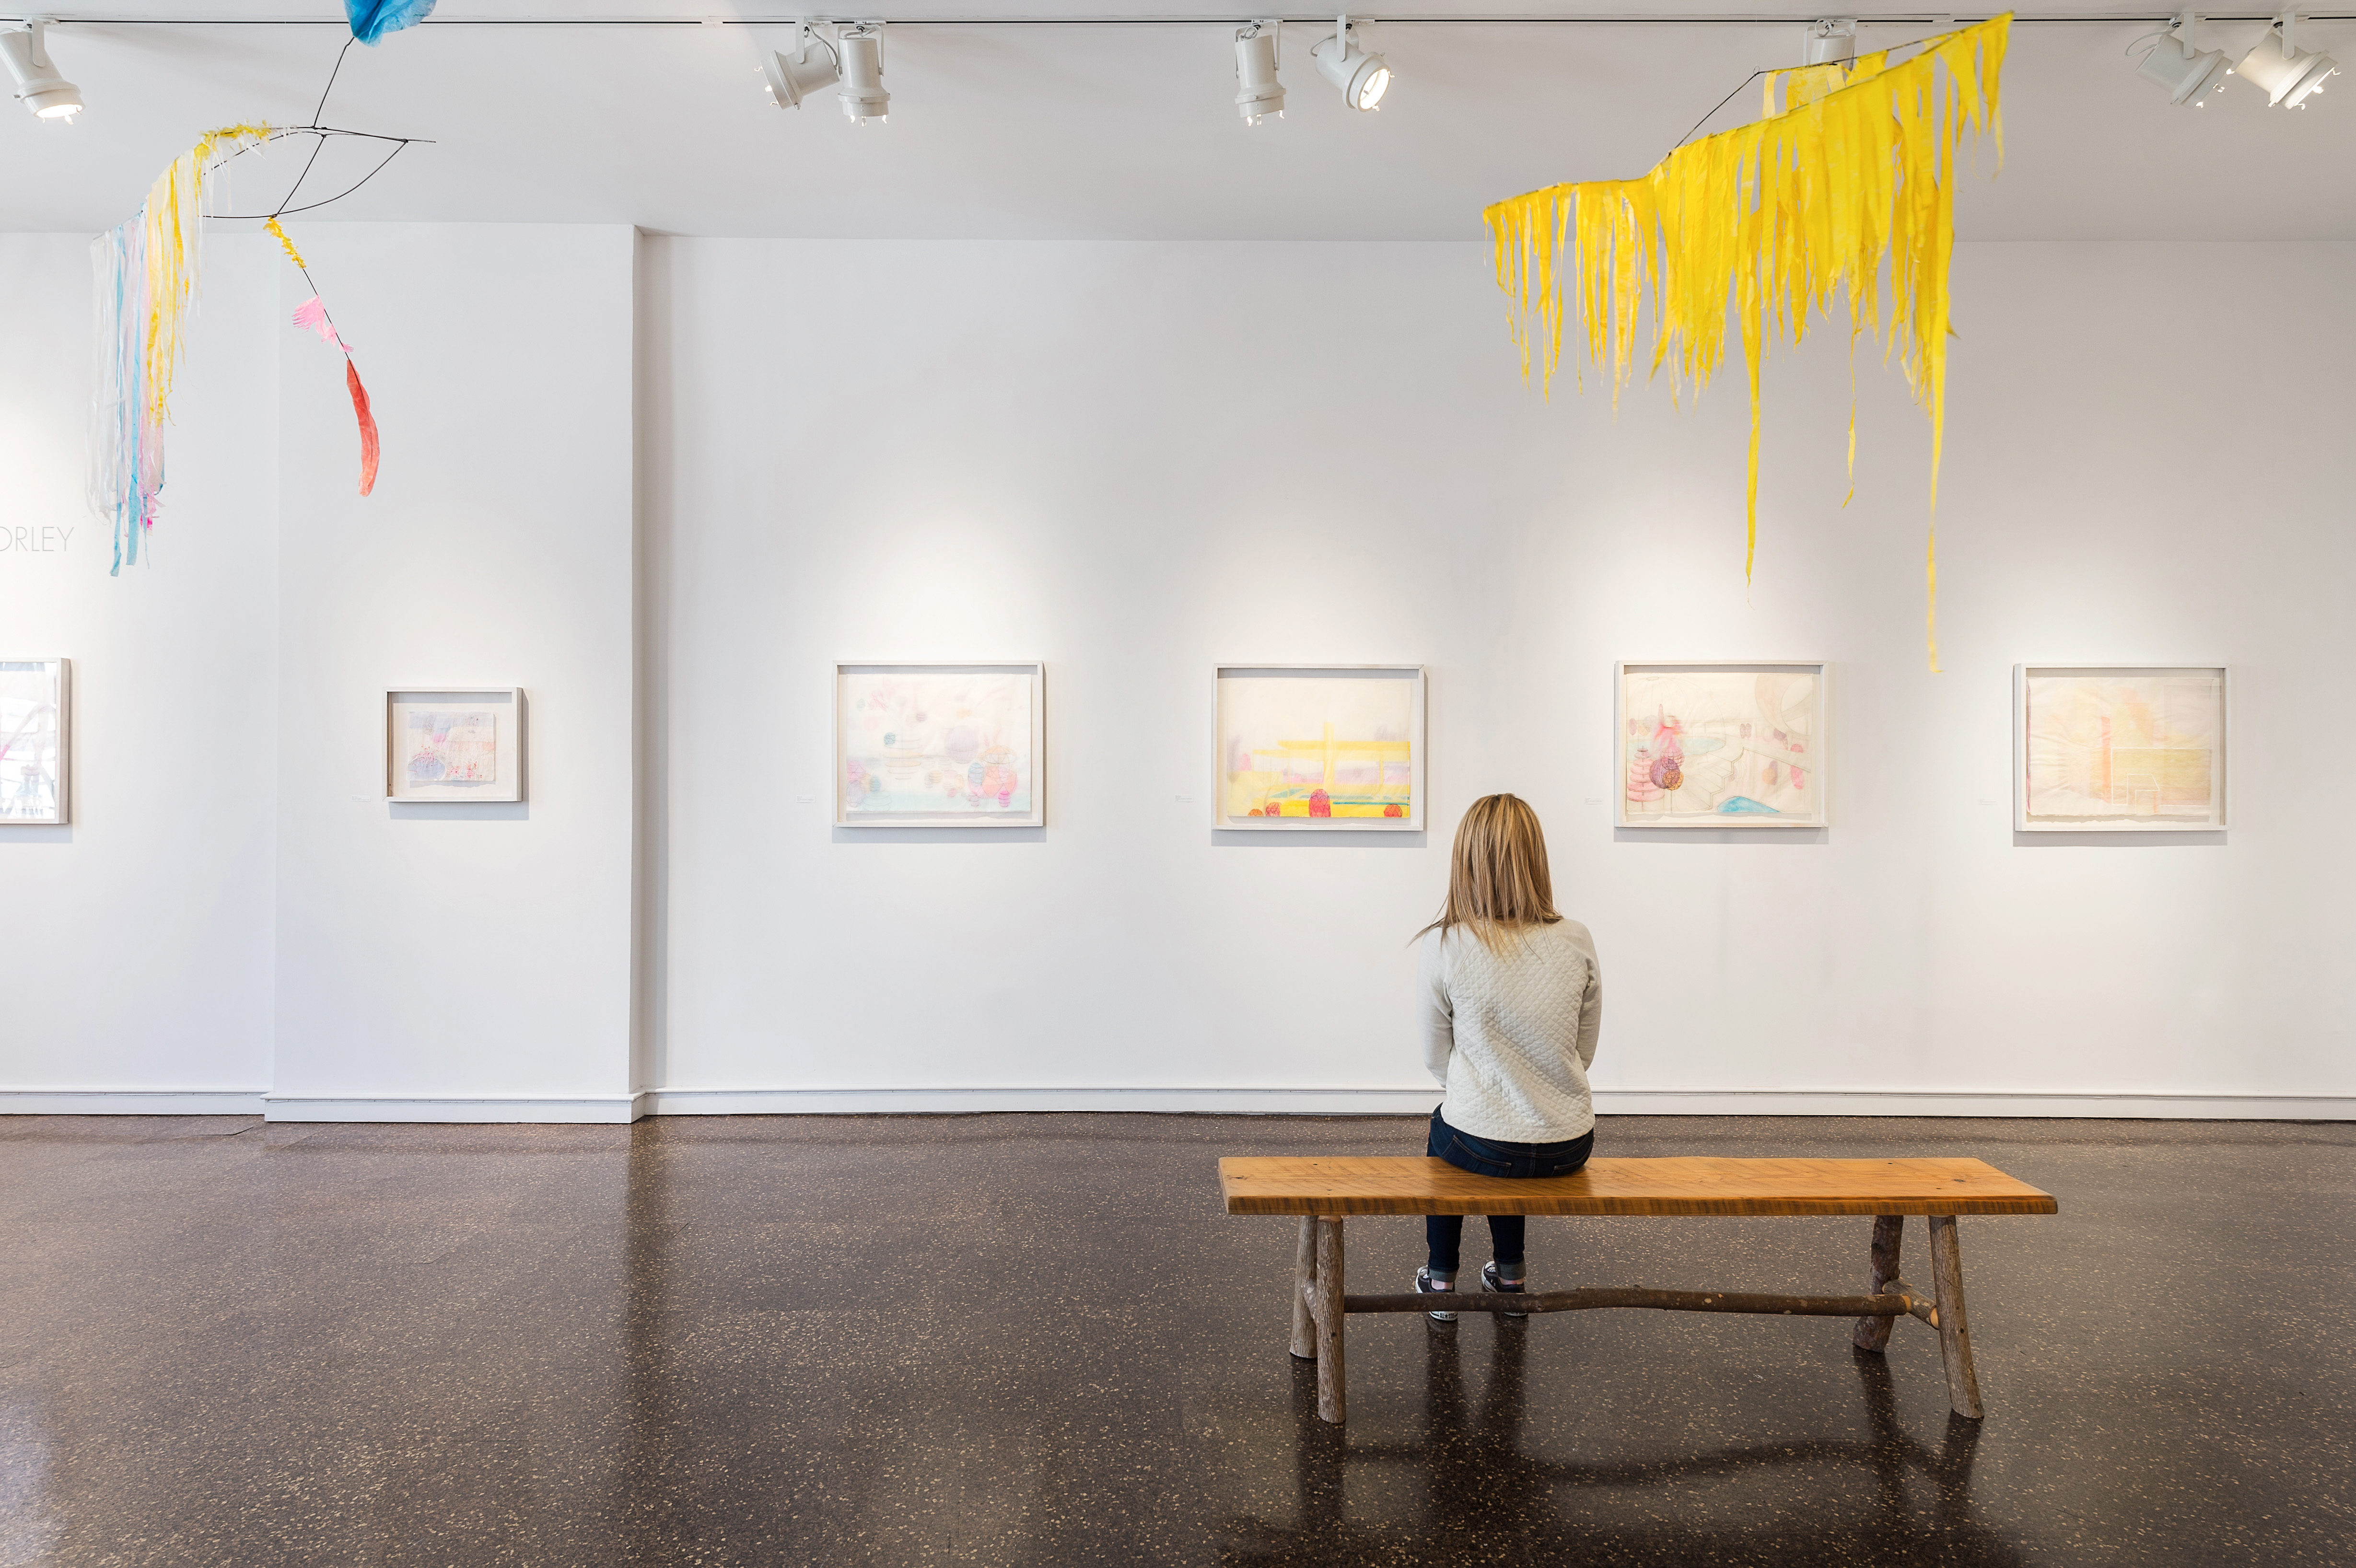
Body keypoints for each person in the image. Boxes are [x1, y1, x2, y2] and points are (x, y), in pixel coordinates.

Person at [1413, 793, 1601, 1323]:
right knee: (1507, 1129)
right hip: (1569, 1144)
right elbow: (1582, 1051)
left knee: (1452, 1129)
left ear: (1465, 863)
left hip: (1486, 1145)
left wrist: (1480, 1091)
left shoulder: (1447, 942)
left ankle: (1441, 1278)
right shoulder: (1577, 938)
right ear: (1536, 860)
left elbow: (1435, 1059)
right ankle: (1510, 1274)